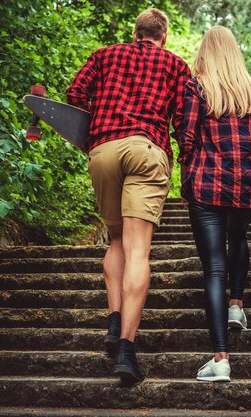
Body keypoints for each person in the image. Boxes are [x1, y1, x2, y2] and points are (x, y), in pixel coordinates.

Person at [67, 8, 191, 383]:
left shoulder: (104, 55)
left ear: (135, 32)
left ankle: (113, 319)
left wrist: (96, 126)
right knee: (139, 250)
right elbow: (185, 124)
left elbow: (74, 94)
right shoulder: (176, 65)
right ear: (163, 36)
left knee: (117, 239)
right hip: (146, 151)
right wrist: (187, 172)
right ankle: (126, 350)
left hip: (103, 151)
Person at [178, 25, 251, 382]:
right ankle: (237, 305)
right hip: (248, 188)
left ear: (206, 51)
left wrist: (186, 178)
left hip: (207, 186)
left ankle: (220, 360)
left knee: (213, 269)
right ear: (236, 52)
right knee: (237, 237)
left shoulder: (197, 88)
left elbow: (187, 139)